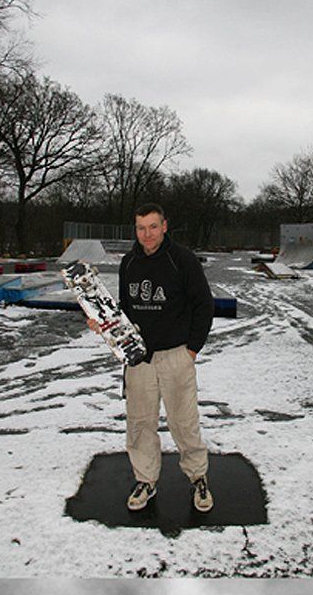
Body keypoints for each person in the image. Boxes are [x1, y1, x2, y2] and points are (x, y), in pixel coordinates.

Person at [101, 203, 214, 514]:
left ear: (165, 226)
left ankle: (198, 477)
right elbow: (125, 311)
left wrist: (191, 350)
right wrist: (105, 323)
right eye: (141, 228)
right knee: (139, 424)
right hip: (140, 359)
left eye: (153, 227)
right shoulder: (128, 263)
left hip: (177, 355)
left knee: (183, 422)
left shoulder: (182, 260)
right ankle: (145, 480)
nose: (147, 234)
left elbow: (204, 305)